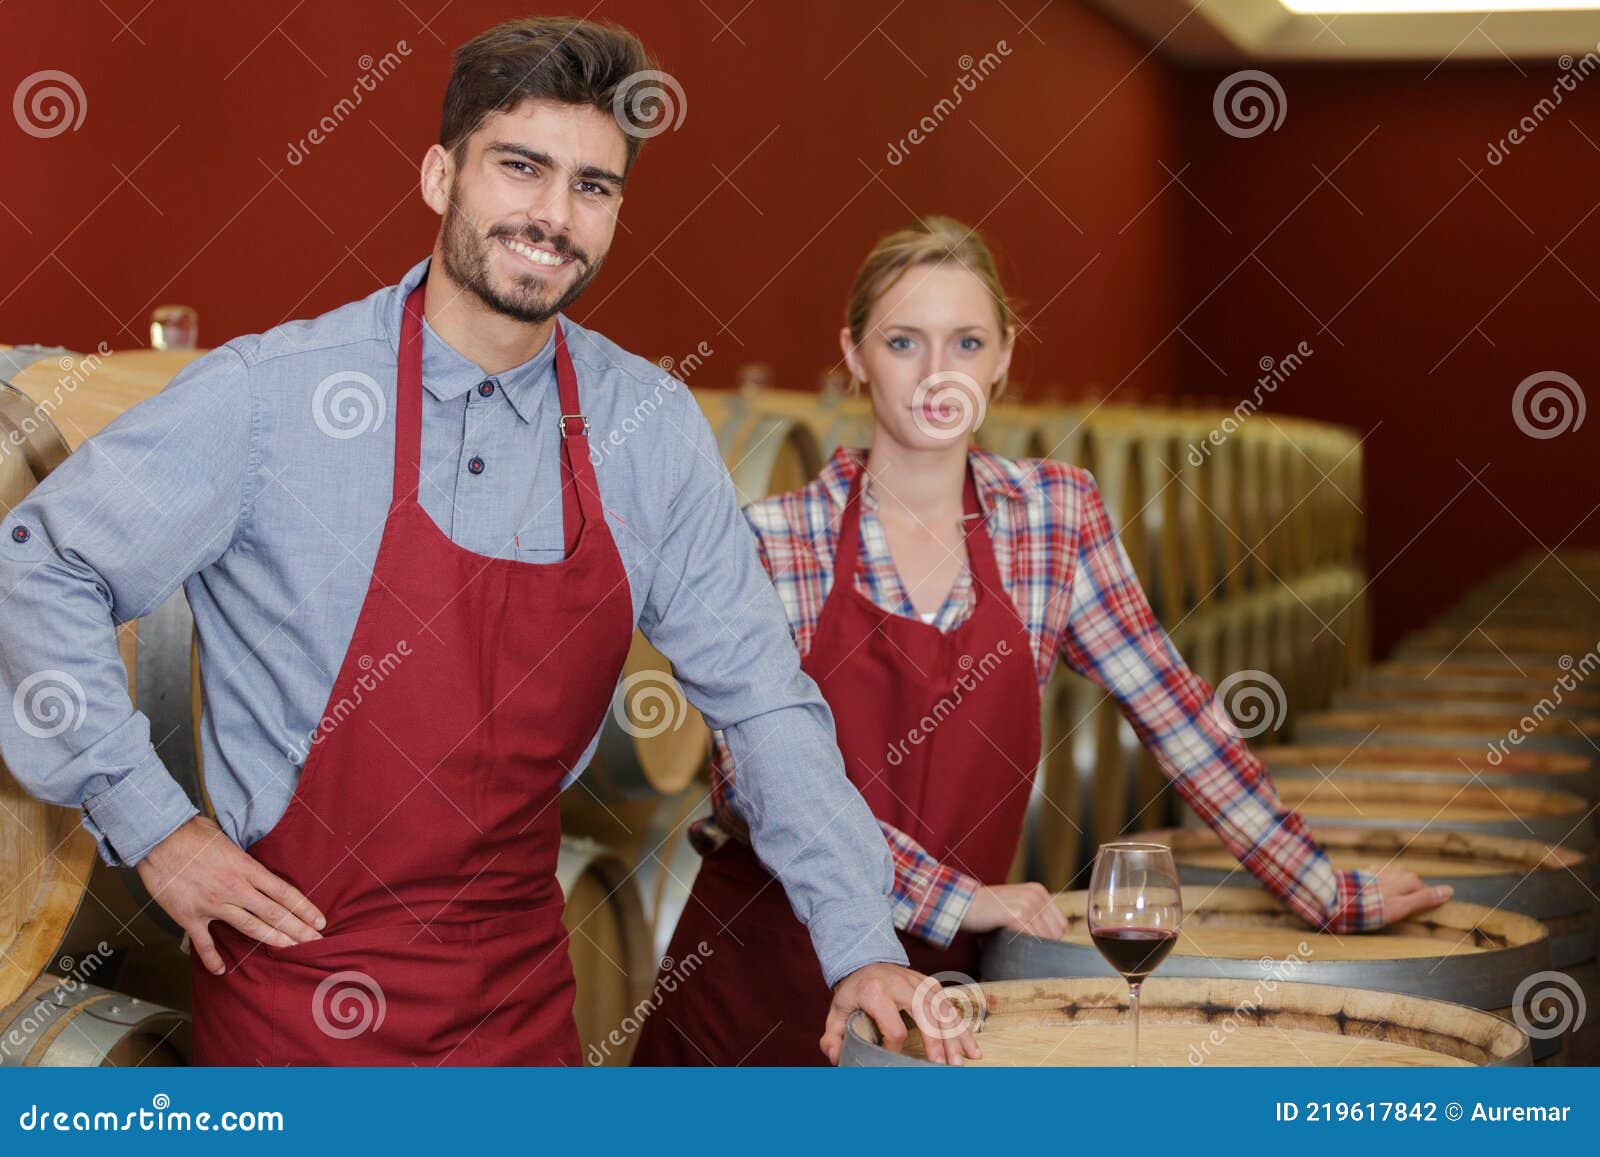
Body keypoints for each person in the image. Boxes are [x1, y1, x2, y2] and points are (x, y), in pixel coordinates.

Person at [0, 18, 976, 1067]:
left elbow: (762, 699)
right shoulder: (271, 397)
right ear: (439, 176)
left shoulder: (645, 428)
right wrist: (151, 824)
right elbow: (34, 564)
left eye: (593, 186)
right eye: (521, 168)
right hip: (293, 1001)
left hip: (514, 1013)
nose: (554, 215)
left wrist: (860, 943)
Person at [631, 215, 1454, 1066]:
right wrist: (959, 897)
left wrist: (1318, 887)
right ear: (853, 353)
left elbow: (1179, 715)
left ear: (1005, 357)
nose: (936, 373)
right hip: (759, 973)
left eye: (967, 341)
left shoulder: (1054, 520)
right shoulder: (778, 538)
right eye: (904, 340)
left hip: (943, 992)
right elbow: (759, 781)